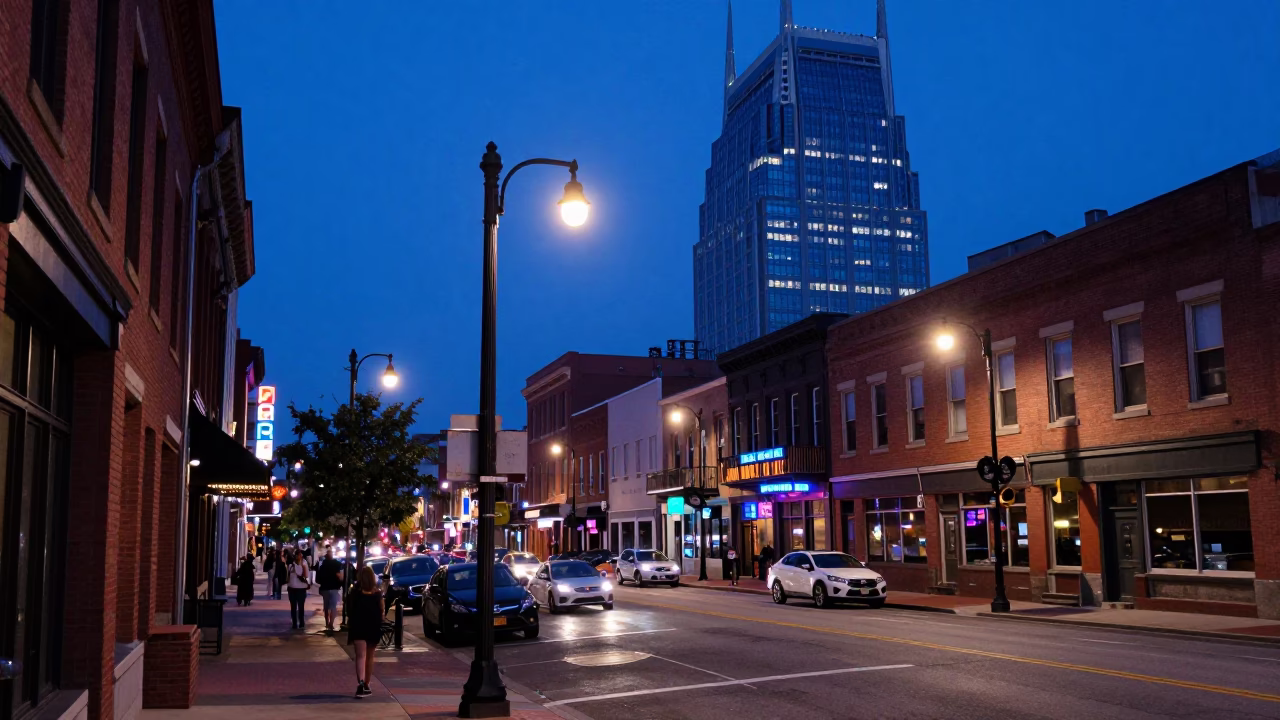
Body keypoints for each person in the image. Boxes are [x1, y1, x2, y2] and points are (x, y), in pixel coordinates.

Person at [346, 566, 384, 698]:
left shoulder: (354, 594)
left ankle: (361, 684)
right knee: (370, 657)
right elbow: (381, 612)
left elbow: (349, 610)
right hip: (373, 627)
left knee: (360, 656)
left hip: (358, 627)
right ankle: (367, 684)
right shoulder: (377, 594)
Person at [315, 546, 345, 631]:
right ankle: (331, 623)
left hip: (325, 588)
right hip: (334, 588)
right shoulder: (337, 564)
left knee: (326, 606)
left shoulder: (322, 566)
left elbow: (318, 579)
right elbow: (341, 577)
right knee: (333, 607)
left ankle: (327, 623)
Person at [286, 549, 311, 630]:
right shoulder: (299, 564)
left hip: (295, 589)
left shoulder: (293, 565)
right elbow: (306, 576)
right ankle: (299, 623)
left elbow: (288, 578)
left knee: (295, 607)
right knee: (299, 607)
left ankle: (297, 623)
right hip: (298, 589)